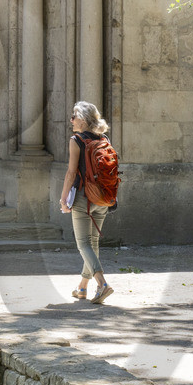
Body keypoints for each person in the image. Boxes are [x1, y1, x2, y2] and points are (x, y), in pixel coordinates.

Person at [60, 101, 113, 304]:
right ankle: (82, 287)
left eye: (74, 116)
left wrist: (64, 198)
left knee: (83, 244)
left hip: (84, 197)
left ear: (82, 120)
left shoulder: (77, 140)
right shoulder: (104, 138)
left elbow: (71, 172)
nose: (71, 120)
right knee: (93, 243)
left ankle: (102, 284)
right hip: (102, 197)